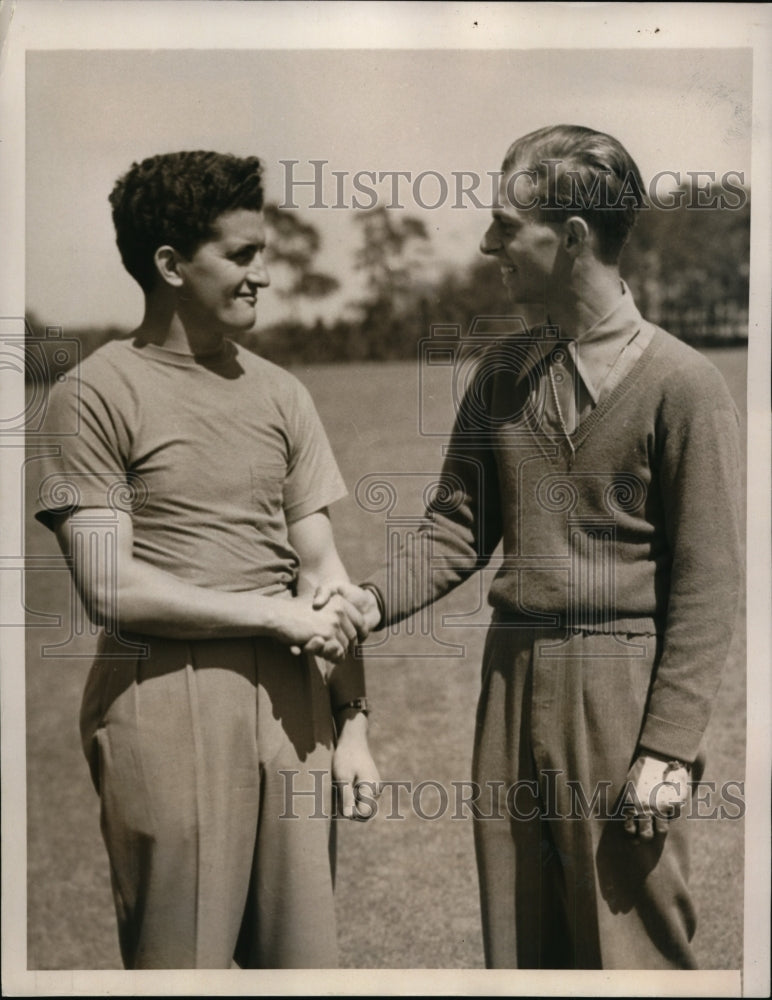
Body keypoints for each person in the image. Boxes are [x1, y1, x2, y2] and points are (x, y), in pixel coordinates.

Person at [319, 125, 743, 969]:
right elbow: (458, 525)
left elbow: (707, 582)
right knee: (521, 948)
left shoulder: (685, 384)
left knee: (636, 949)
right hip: (510, 682)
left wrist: (665, 747)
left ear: (574, 237)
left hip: (620, 695)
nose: (487, 245)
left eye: (506, 227)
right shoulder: (503, 371)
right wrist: (368, 601)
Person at [33, 150, 378, 969]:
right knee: (179, 968)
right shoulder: (93, 393)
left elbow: (322, 573)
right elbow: (109, 585)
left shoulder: (282, 393)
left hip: (295, 711)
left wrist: (355, 722)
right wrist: (274, 612)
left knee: (304, 971)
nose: (263, 274)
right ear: (170, 266)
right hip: (165, 699)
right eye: (242, 254)